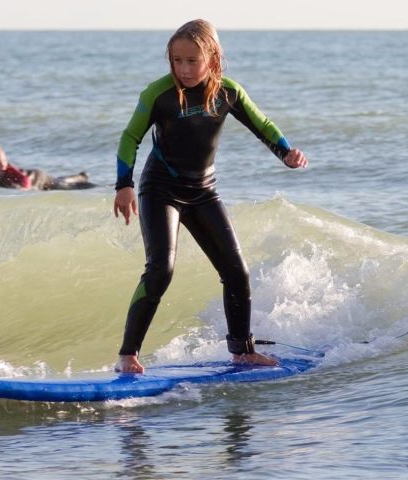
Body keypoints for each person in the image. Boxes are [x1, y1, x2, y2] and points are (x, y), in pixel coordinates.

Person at [112, 19, 308, 373]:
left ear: (212, 59)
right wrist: (123, 183)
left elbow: (261, 125)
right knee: (161, 271)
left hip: (203, 191)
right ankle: (128, 355)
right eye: (176, 61)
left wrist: (287, 152)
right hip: (160, 190)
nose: (183, 69)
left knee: (237, 272)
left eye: (192, 61)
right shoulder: (159, 94)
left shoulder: (228, 91)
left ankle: (242, 351)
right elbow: (130, 138)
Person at [0, 145, 95, 190]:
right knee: (58, 179)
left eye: (4, 161)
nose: (3, 165)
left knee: (62, 185)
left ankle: (81, 178)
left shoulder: (9, 170)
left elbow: (26, 183)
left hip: (37, 178)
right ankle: (81, 175)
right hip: (33, 177)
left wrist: (20, 190)